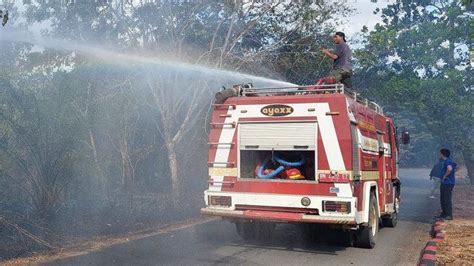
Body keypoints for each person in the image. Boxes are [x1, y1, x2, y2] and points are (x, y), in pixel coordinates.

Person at [438, 148, 457, 220]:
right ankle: (444, 213)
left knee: (446, 199)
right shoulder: (450, 161)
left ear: (442, 154)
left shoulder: (447, 161)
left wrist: (445, 176)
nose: (439, 155)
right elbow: (455, 167)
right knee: (443, 198)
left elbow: (449, 169)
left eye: (440, 153)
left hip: (447, 183)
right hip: (447, 182)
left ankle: (448, 215)